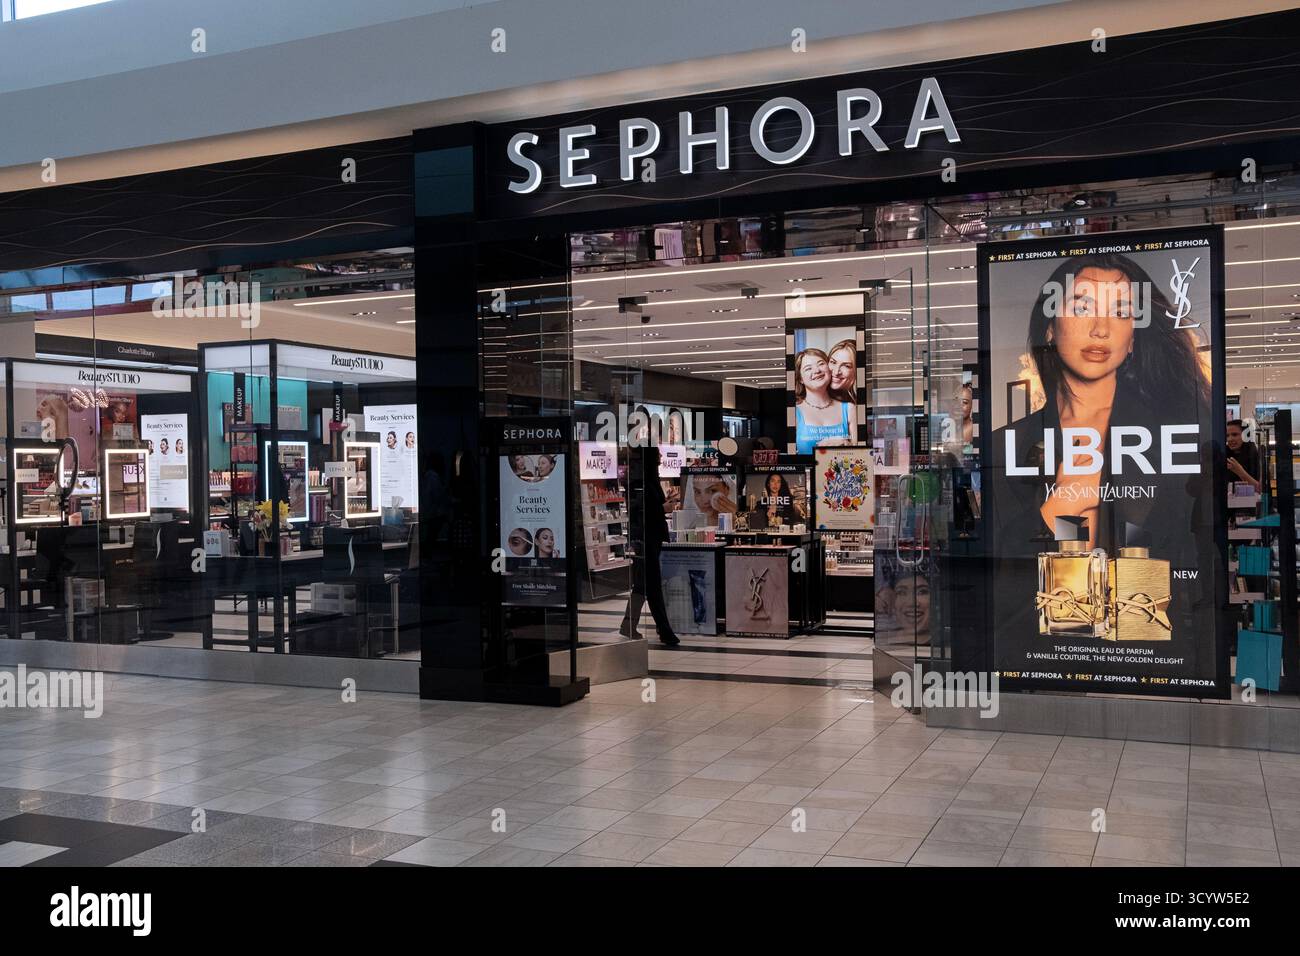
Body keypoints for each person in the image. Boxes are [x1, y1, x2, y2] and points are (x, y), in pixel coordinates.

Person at [986, 252, 1215, 643]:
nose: (1100, 328)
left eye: (1121, 311)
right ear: (1049, 329)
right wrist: (1063, 500)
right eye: (1082, 306)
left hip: (1148, 652)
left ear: (1133, 338)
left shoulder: (1173, 437)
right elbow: (998, 578)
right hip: (1040, 652)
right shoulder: (1008, 445)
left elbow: (1195, 567)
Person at [620, 412, 679, 645]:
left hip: (649, 537)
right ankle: (664, 631)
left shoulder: (647, 480)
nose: (662, 457)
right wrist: (665, 506)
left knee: (645, 584)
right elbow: (642, 511)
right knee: (650, 584)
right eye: (658, 454)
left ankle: (631, 625)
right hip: (646, 539)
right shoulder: (642, 483)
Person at [794, 347, 853, 454]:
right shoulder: (793, 412)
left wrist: (845, 443)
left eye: (821, 364)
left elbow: (861, 453)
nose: (817, 370)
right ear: (800, 379)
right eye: (808, 368)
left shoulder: (849, 408)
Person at [1226, 419, 1261, 493]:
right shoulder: (1223, 456)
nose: (1230, 439)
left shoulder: (1256, 457)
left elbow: (1259, 490)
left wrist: (1240, 471)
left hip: (1249, 502)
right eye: (1227, 435)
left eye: (1235, 435)